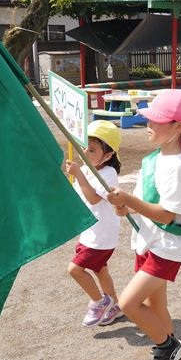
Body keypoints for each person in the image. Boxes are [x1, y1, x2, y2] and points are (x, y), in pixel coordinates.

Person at [106, 89, 181, 360]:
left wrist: (129, 200)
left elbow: (168, 215)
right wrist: (128, 207)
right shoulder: (156, 158)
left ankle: (167, 349)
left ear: (178, 126)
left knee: (128, 303)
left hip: (166, 247)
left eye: (156, 120)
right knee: (156, 306)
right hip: (148, 241)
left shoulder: (179, 166)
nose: (148, 124)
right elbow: (149, 202)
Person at [65, 121, 124, 327]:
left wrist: (79, 174)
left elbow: (93, 198)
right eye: (84, 147)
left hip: (101, 236)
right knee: (101, 271)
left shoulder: (108, 173)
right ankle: (115, 306)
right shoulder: (87, 169)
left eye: (92, 150)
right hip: (91, 232)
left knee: (75, 269)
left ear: (107, 155)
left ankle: (100, 302)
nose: (85, 152)